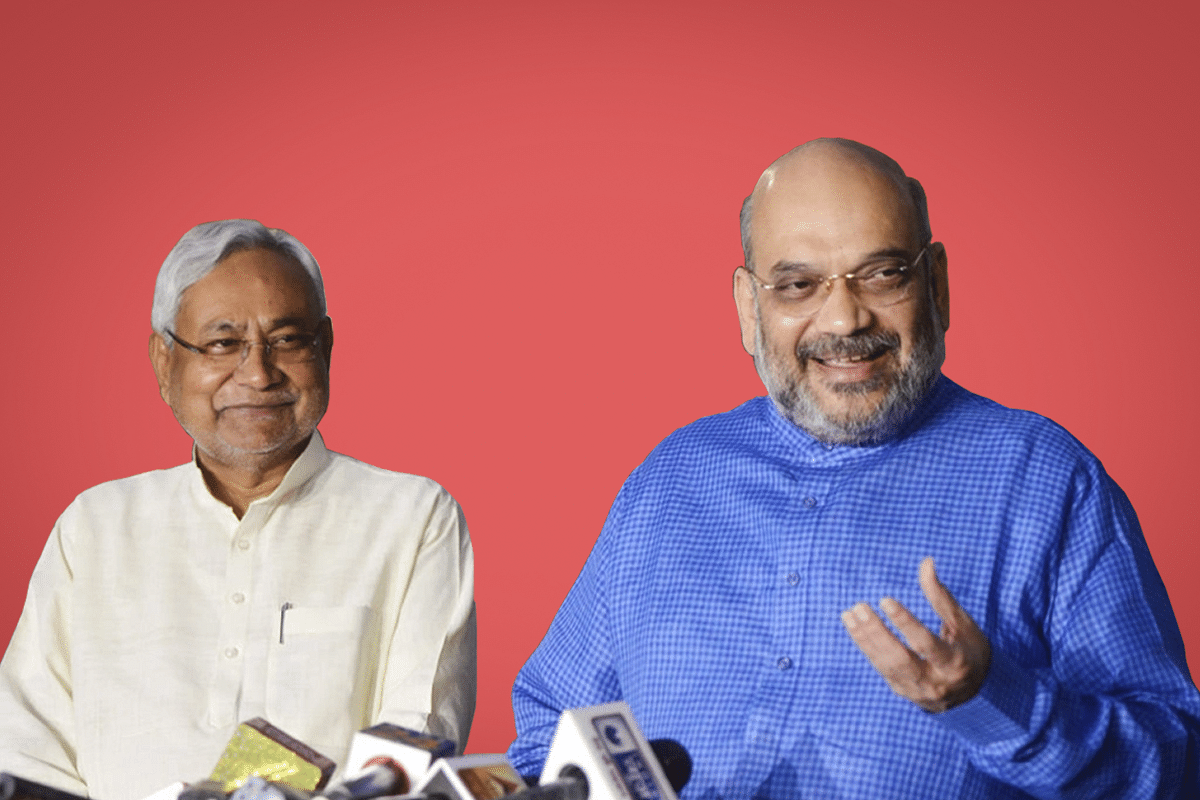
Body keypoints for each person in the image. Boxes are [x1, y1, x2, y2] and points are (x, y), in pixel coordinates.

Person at [506, 140, 1200, 798]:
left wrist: (993, 699)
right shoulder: (669, 481)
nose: (842, 318)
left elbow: (1177, 767)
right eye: (798, 284)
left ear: (937, 284)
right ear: (750, 309)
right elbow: (550, 726)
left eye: (882, 273)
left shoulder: (1046, 481)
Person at [0, 220, 476, 800]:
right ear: (163, 360)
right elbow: (25, 748)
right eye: (223, 343)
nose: (257, 373)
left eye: (288, 340)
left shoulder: (412, 518)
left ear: (325, 348)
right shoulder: (95, 527)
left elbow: (409, 753)